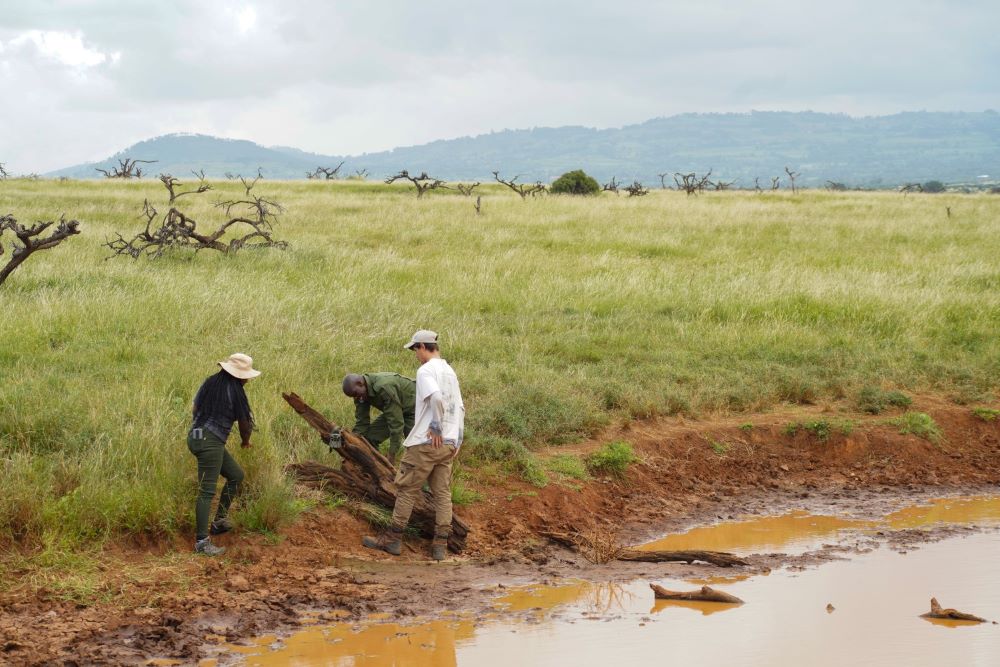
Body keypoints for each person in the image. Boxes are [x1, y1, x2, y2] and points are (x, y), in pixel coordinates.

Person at [363, 330, 464, 561]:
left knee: (407, 489)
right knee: (442, 494)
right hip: (448, 443)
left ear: (422, 346)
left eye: (414, 350)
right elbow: (460, 407)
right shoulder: (450, 371)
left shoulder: (426, 370)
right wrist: (456, 438)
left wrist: (436, 426)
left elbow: (436, 398)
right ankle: (440, 546)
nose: (415, 355)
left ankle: (393, 539)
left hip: (426, 442)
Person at [188, 353, 260, 556]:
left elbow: (195, 408)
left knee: (236, 475)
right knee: (206, 491)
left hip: (196, 436)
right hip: (210, 442)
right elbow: (245, 424)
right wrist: (245, 442)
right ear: (239, 376)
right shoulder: (236, 392)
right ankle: (201, 543)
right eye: (245, 375)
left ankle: (219, 521)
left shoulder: (211, 382)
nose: (247, 379)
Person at [341, 372, 416, 464]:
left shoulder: (384, 387)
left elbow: (396, 424)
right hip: (395, 409)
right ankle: (376, 467)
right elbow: (362, 423)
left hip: (414, 409)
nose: (357, 398)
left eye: (356, 394)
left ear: (360, 383)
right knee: (370, 438)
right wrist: (352, 441)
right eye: (354, 396)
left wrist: (392, 454)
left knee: (414, 448)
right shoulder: (359, 394)